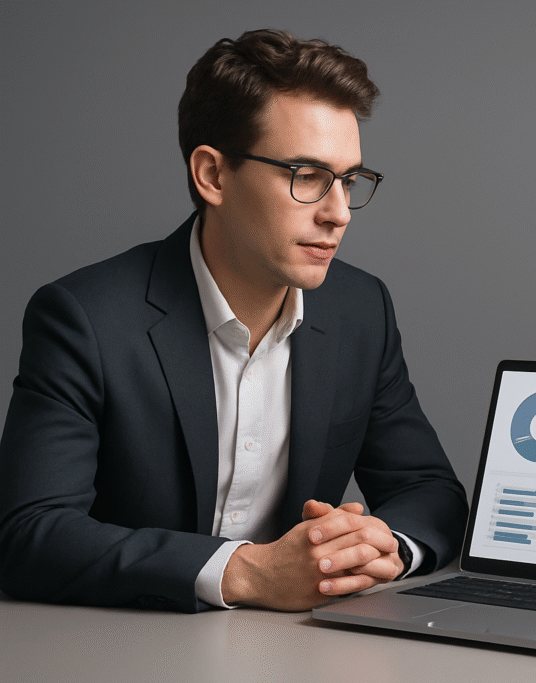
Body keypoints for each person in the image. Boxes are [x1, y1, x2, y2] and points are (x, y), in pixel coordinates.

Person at [0, 29, 467, 613]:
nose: (339, 213)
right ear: (213, 176)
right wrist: (246, 573)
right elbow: (30, 534)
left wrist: (385, 546)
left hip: (304, 652)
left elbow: (430, 491)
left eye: (349, 179)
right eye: (307, 176)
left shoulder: (361, 308)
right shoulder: (85, 318)